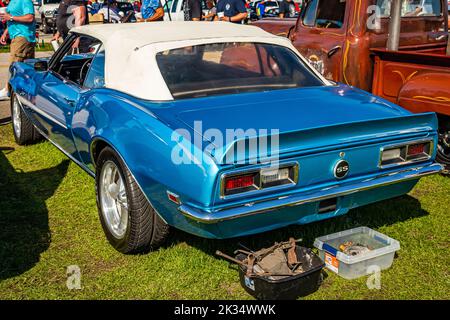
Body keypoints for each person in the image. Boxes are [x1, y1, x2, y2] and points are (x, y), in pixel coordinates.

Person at [0, 0, 36, 101]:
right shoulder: (12, 2)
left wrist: (10, 17)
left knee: (14, 65)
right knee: (25, 67)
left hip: (23, 37)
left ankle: (8, 91)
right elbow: (11, 19)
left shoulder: (25, 0)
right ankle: (26, 92)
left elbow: (30, 18)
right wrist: (6, 33)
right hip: (16, 37)